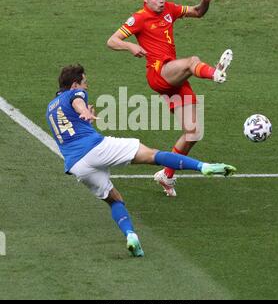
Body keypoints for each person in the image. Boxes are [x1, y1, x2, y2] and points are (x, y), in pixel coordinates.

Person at [46, 65, 236, 257]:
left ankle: (130, 235)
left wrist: (85, 121)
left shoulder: (50, 108)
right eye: (85, 83)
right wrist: (84, 111)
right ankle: (203, 166)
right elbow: (78, 101)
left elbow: (69, 130)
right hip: (94, 148)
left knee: (114, 200)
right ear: (75, 84)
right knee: (152, 155)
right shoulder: (76, 94)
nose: (87, 87)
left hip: (77, 165)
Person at [107, 0, 233, 197]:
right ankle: (215, 73)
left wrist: (205, 2)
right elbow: (112, 40)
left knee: (193, 133)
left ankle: (166, 174)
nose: (162, 0)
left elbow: (197, 12)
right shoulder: (139, 18)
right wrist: (130, 46)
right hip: (159, 73)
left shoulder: (170, 10)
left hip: (174, 78)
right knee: (192, 61)